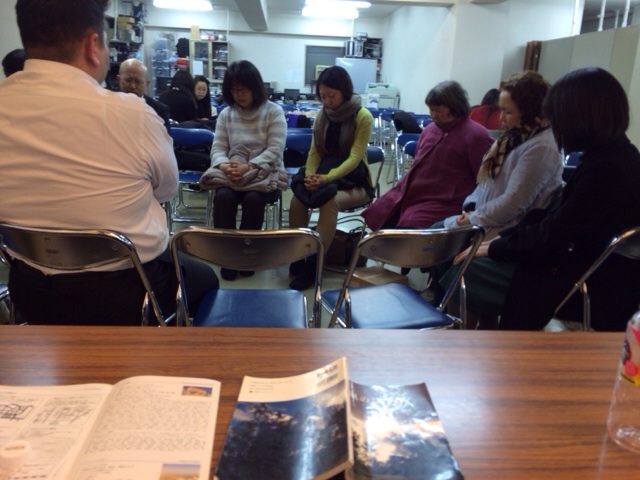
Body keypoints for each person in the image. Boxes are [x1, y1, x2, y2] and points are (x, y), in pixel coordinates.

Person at [0, 0, 218, 326]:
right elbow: (165, 191)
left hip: (29, 291)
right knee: (206, 279)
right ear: (93, 46)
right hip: (126, 295)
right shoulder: (132, 114)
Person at [451, 67, 640, 331]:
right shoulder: (616, 156)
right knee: (468, 255)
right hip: (584, 265)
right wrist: (502, 241)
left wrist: (497, 247)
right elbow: (554, 219)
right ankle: (483, 336)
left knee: (465, 269)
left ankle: (469, 342)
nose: (555, 125)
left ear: (579, 117)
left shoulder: (606, 170)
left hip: (590, 282)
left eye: (557, 117)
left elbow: (555, 231)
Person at [442, 71, 563, 241]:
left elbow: (513, 204)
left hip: (504, 231)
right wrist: (470, 207)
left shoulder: (542, 146)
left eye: (507, 112)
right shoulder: (513, 138)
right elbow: (485, 184)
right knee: (427, 235)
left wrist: (472, 218)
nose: (501, 119)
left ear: (529, 111)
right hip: (483, 220)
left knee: (430, 242)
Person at [361, 81, 493, 231]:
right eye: (431, 109)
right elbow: (416, 165)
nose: (432, 114)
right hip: (410, 192)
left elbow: (485, 180)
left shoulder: (476, 136)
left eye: (437, 110)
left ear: (454, 107)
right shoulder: (430, 130)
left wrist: (470, 208)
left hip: (443, 200)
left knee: (410, 226)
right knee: (377, 211)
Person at [199, 60, 287, 281]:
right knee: (223, 197)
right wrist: (225, 166)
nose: (239, 94)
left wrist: (249, 166)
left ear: (255, 87)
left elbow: (275, 149)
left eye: (243, 89)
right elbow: (218, 148)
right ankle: (228, 255)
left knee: (253, 200)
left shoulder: (273, 112)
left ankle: (248, 254)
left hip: (263, 175)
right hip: (233, 174)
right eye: (234, 89)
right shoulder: (226, 114)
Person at [288, 65, 374, 290]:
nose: (327, 101)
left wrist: (326, 179)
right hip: (324, 173)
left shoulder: (362, 116)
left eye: (331, 95)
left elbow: (355, 158)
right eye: (323, 96)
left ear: (344, 91)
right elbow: (314, 153)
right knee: (298, 199)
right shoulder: (322, 115)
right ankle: (298, 253)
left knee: (330, 202)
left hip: (354, 179)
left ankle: (315, 263)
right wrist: (310, 176)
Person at [117, 58, 171, 132]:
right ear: (119, 80)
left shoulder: (159, 110)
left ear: (147, 84)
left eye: (138, 81)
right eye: (128, 80)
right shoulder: (108, 105)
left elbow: (164, 138)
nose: (133, 86)